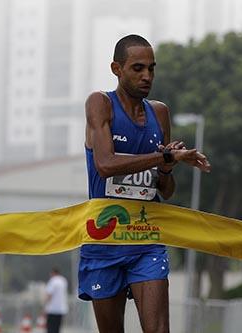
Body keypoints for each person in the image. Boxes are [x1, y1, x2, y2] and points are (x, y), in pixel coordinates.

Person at [82, 34, 211, 332]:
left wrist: (166, 167)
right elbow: (104, 165)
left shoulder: (159, 112)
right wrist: (160, 157)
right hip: (104, 240)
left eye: (152, 68)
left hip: (145, 239)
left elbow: (165, 191)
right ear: (116, 68)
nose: (147, 76)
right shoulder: (100, 103)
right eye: (138, 68)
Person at [44, 268, 68, 333]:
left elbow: (49, 295)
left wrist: (45, 306)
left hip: (52, 309)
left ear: (53, 273)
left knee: (51, 328)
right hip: (61, 309)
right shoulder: (63, 280)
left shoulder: (53, 281)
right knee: (57, 328)